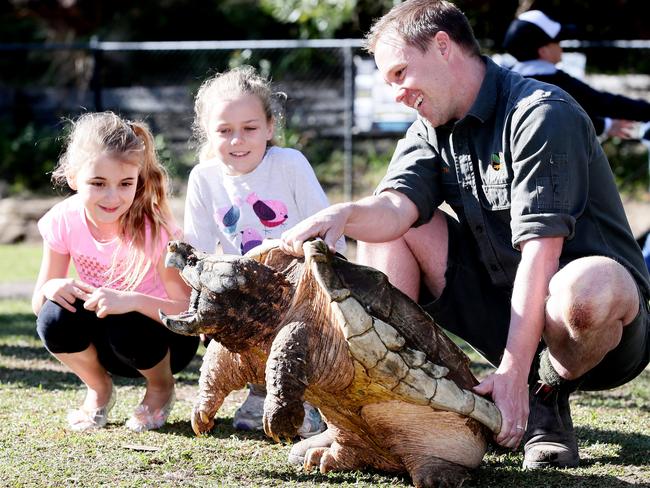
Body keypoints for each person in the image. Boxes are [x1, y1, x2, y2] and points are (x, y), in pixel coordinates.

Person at [280, 0, 650, 470]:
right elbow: (395, 209)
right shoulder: (429, 126)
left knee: (587, 288)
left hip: (597, 334)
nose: (395, 92)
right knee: (386, 232)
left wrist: (515, 373)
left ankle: (545, 400)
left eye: (399, 73)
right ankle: (385, 410)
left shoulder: (540, 113)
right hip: (504, 311)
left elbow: (542, 252)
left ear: (442, 46)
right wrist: (343, 214)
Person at [185, 65, 344, 439]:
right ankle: (260, 389)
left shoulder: (290, 164)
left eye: (250, 128)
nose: (238, 140)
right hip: (245, 292)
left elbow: (326, 231)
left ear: (270, 127)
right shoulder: (203, 179)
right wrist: (205, 308)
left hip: (301, 285)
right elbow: (200, 254)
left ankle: (308, 397)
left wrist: (334, 290)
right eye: (224, 131)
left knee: (296, 336)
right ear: (208, 132)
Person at [32, 112, 200, 432]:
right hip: (106, 345)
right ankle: (98, 388)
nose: (112, 197)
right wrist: (52, 287)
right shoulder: (62, 220)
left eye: (125, 184)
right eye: (98, 183)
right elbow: (39, 305)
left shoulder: (156, 230)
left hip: (164, 343)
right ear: (72, 177)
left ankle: (161, 389)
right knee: (54, 316)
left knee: (124, 321)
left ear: (138, 179)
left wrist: (133, 300)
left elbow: (188, 311)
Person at [502, 9, 650, 140]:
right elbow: (598, 102)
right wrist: (605, 125)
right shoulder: (554, 82)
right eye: (557, 42)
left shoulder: (508, 81)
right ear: (543, 51)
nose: (561, 47)